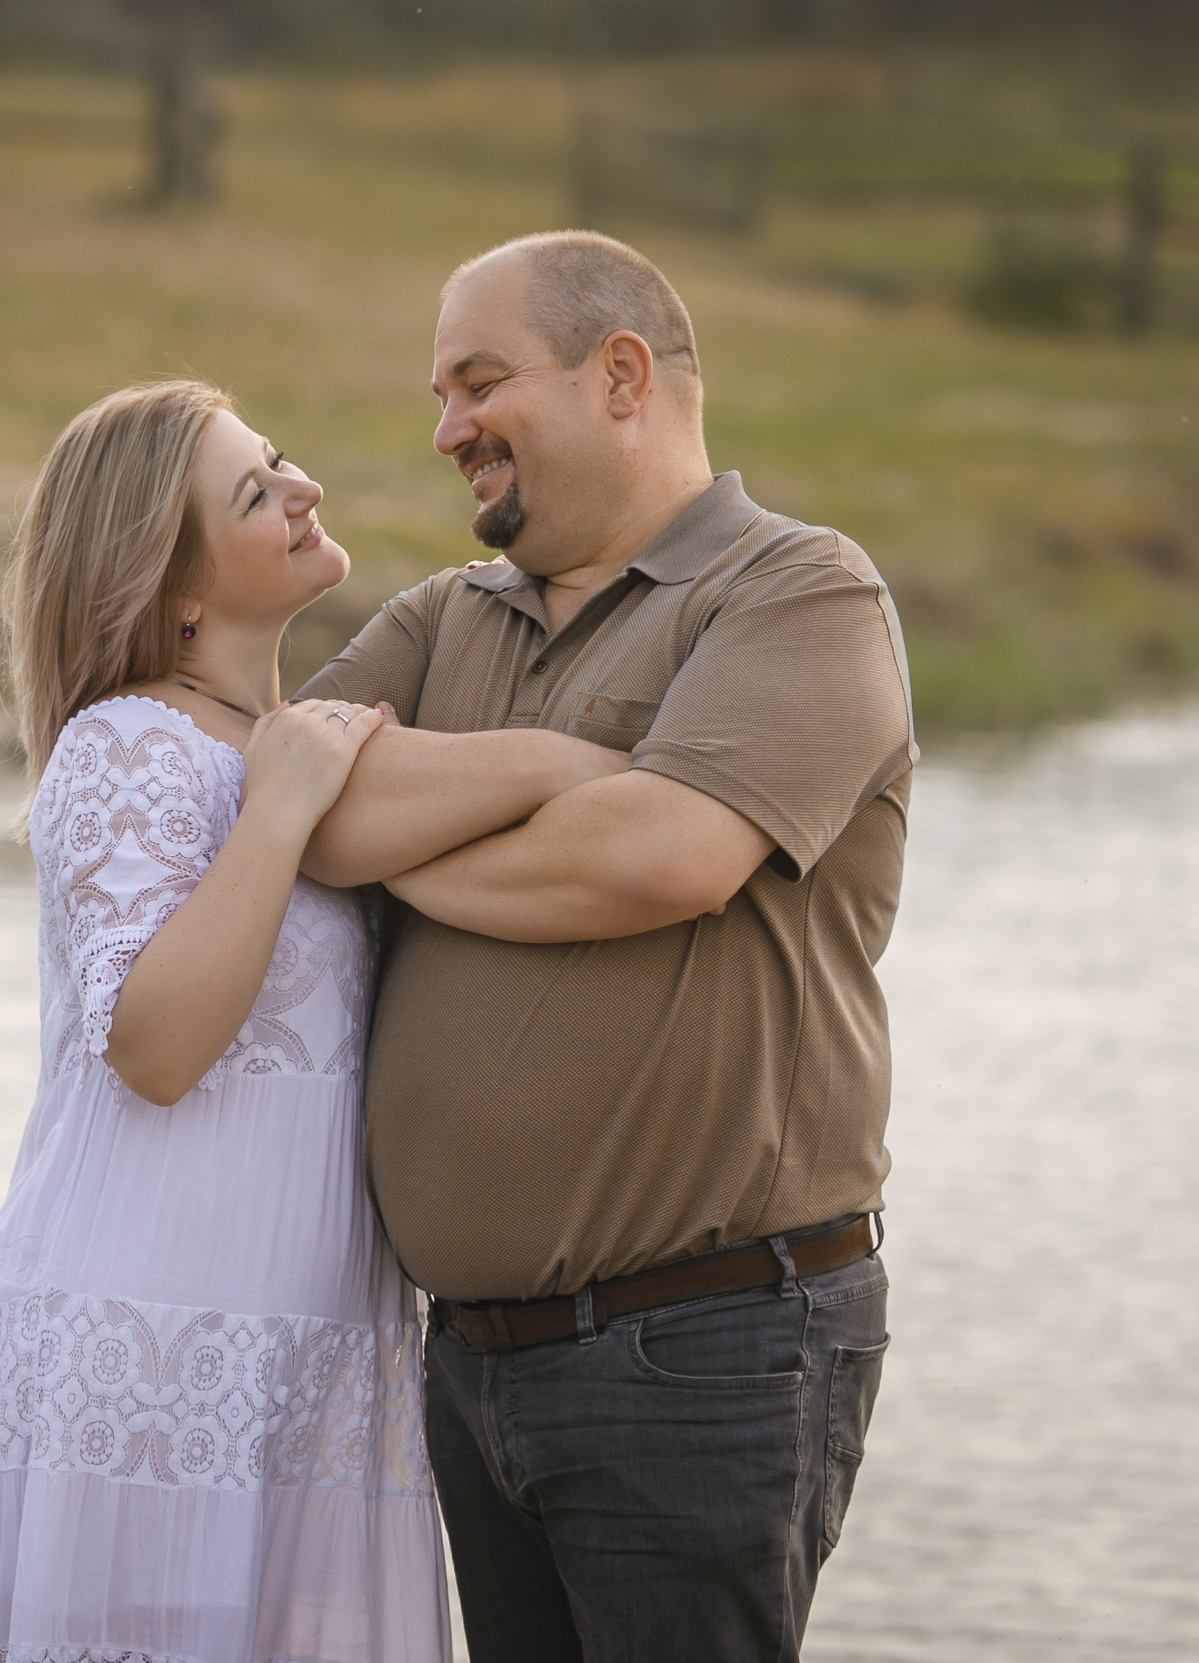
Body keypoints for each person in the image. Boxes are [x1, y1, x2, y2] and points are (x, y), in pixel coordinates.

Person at [0, 379, 626, 1663]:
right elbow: (155, 1047)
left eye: (279, 459)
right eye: (253, 491)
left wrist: (553, 767)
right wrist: (276, 811)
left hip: (309, 1372)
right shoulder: (127, 746)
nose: (302, 486)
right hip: (151, 1356)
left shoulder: (297, 747)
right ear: (177, 596)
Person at [299, 232, 917, 1659]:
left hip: (705, 1348)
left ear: (622, 373)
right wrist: (553, 770)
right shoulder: (437, 618)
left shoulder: (798, 592)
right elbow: (291, 802)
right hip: (470, 1360)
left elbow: (666, 853)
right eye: (440, 395)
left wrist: (411, 836)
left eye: (478, 382)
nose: (446, 428)